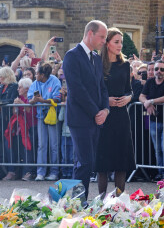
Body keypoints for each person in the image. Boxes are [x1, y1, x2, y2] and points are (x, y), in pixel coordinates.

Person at [62, 20, 109, 200]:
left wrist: (105, 110)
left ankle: (74, 200)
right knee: (85, 162)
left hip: (96, 118)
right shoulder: (72, 56)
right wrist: (95, 112)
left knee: (83, 163)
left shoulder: (96, 58)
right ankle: (80, 202)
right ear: (90, 33)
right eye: (102, 37)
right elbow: (76, 89)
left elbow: (102, 87)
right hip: (80, 119)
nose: (104, 41)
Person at [95, 27, 135, 195]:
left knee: (121, 160)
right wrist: (106, 101)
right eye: (116, 42)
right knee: (102, 162)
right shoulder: (97, 64)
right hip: (104, 116)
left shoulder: (125, 65)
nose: (120, 45)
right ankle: (101, 200)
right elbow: (93, 91)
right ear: (107, 43)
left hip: (121, 117)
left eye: (121, 42)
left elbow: (129, 90)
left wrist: (128, 98)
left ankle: (119, 201)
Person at [28, 61, 61, 181]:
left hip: (52, 117)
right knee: (41, 145)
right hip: (40, 116)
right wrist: (32, 101)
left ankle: (54, 172)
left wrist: (43, 100)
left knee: (54, 145)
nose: (35, 75)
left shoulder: (55, 81)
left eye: (36, 73)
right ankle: (40, 172)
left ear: (42, 74)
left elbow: (57, 99)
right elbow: (30, 97)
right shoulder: (35, 83)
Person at [3, 77, 37, 181]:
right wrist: (15, 106)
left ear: (27, 88)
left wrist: (22, 104)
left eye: (20, 87)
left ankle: (28, 171)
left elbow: (32, 112)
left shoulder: (31, 98)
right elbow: (15, 113)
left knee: (28, 149)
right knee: (18, 148)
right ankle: (14, 171)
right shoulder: (20, 98)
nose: (18, 89)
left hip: (31, 126)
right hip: (20, 128)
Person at [0, 67, 18, 179]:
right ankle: (3, 170)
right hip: (0, 120)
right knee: (1, 146)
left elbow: (12, 100)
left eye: (1, 76)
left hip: (9, 119)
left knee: (9, 145)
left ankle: (11, 170)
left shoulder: (14, 86)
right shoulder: (1, 86)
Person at [139, 60, 164, 180]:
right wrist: (146, 103)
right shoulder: (149, 82)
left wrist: (152, 101)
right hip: (154, 121)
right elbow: (141, 96)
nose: (159, 71)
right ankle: (161, 173)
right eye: (157, 69)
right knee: (157, 149)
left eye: (162, 69)